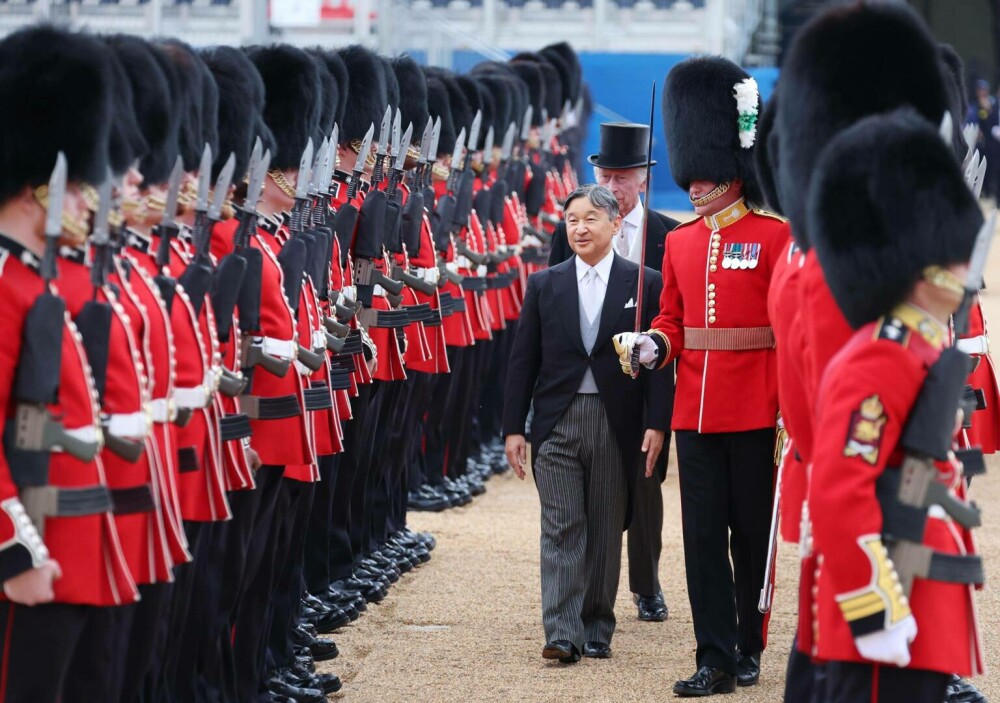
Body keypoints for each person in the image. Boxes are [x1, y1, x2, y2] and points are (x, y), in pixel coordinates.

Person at [616, 56, 789, 696]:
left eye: (704, 173)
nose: (693, 186)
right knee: (701, 543)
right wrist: (652, 346)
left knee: (749, 538)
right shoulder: (683, 242)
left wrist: (787, 408)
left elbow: (789, 329)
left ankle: (749, 644)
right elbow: (674, 320)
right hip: (695, 412)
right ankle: (712, 655)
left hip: (756, 408)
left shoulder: (775, 237)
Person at [806, 108, 984, 703]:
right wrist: (872, 604)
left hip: (921, 594)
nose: (968, 267)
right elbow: (839, 488)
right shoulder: (882, 356)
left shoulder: (924, 346)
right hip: (889, 603)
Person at [503, 184, 671, 663]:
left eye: (590, 219)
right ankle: (561, 630)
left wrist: (658, 423)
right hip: (556, 421)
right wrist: (514, 426)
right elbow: (522, 361)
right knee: (560, 525)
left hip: (616, 421)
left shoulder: (645, 284)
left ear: (615, 225)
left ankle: (597, 623)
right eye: (572, 219)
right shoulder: (544, 284)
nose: (579, 228)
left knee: (603, 525)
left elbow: (660, 360)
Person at [549, 122, 679, 622]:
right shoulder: (574, 229)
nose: (612, 185)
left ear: (644, 179)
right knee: (584, 493)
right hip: (586, 378)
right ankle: (584, 589)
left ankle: (646, 585)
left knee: (645, 484)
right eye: (605, 174)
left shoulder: (671, 236)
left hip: (645, 377)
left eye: (623, 177)